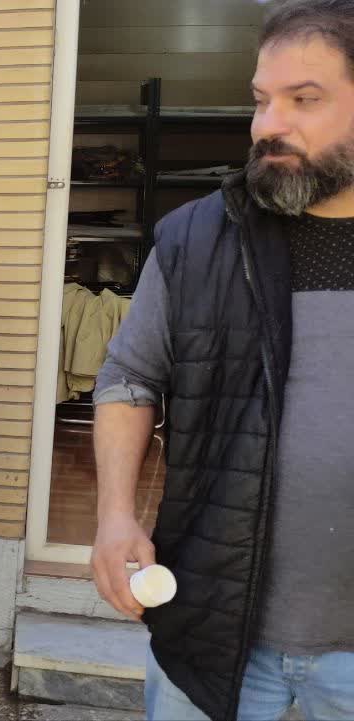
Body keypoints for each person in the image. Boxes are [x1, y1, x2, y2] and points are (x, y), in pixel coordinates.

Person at [91, 2, 354, 720]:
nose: (269, 124)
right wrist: (115, 516)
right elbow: (129, 377)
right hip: (211, 629)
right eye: (261, 100)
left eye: (304, 100)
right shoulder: (196, 239)